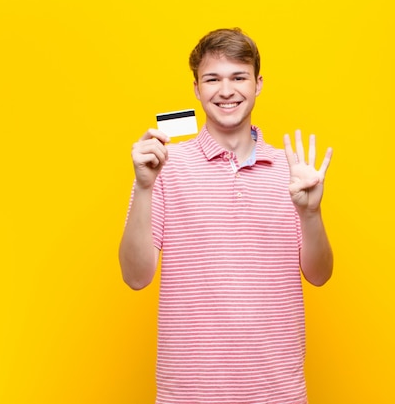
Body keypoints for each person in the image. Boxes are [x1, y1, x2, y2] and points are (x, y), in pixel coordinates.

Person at [119, 27, 333, 404]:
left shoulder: (293, 170)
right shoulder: (163, 166)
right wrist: (144, 187)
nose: (226, 90)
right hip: (188, 394)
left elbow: (320, 275)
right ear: (196, 89)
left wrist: (311, 213)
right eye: (212, 79)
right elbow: (136, 277)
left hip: (278, 392)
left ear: (258, 83)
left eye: (239, 77)